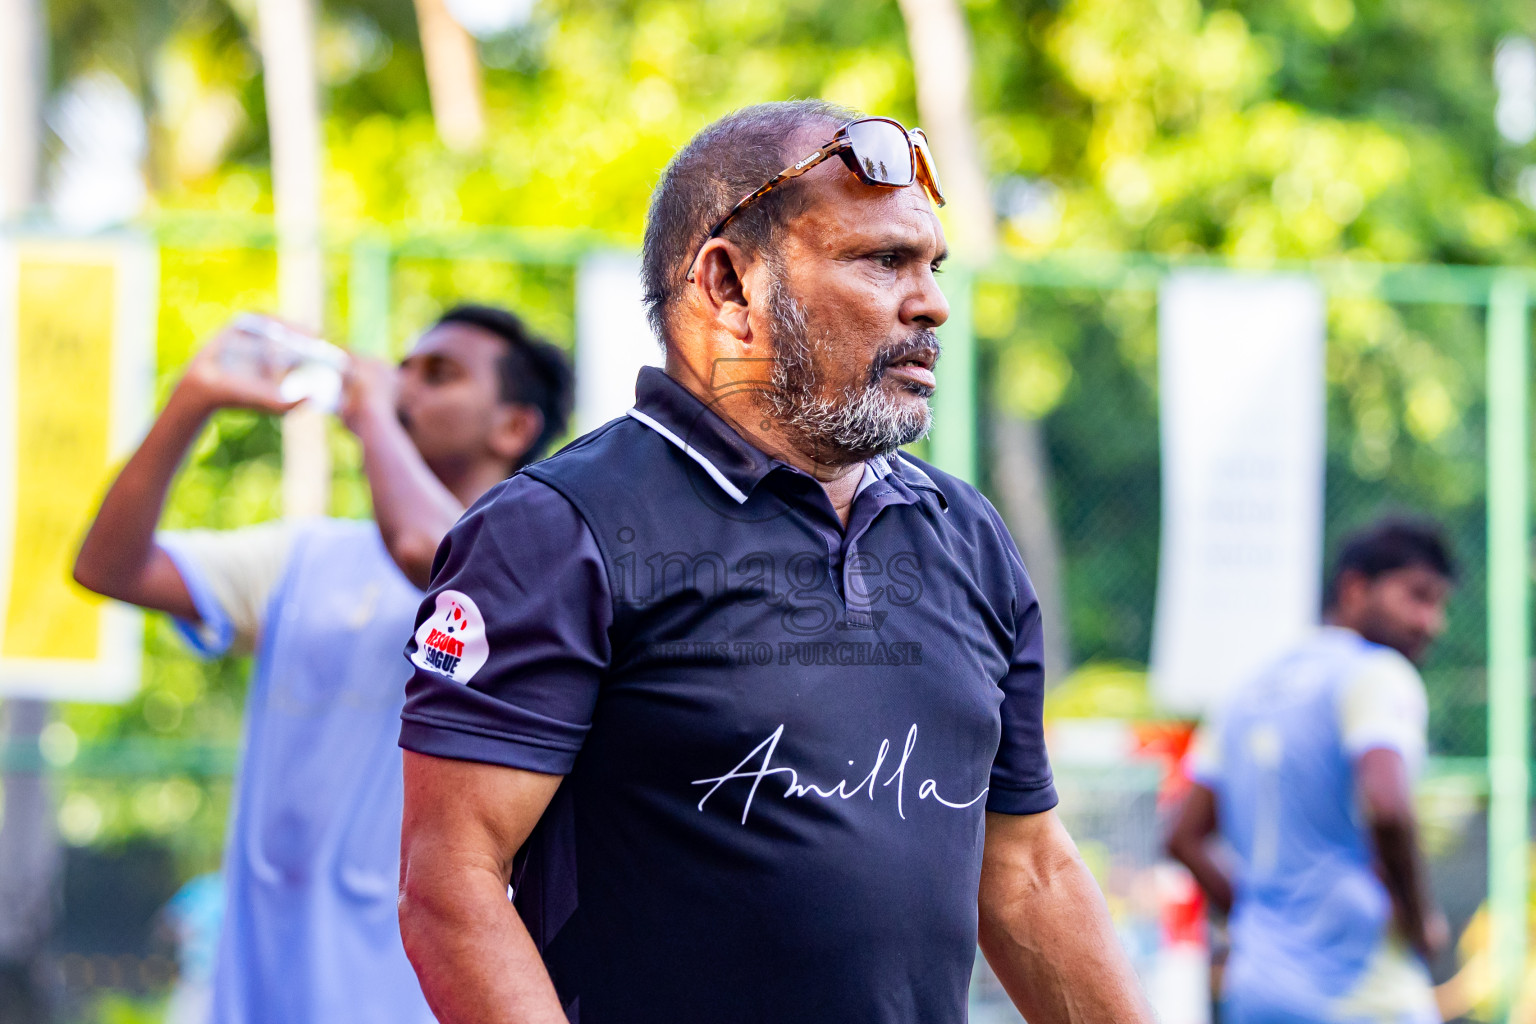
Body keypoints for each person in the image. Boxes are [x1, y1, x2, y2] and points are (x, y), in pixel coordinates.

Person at [395, 100, 1152, 1024]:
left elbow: (1027, 871)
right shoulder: (556, 530)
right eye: (883, 261)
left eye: (932, 264)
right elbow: (451, 886)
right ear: (730, 284)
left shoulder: (965, 535)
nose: (933, 302)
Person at [72, 305, 574, 1024]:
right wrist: (196, 398)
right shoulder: (305, 560)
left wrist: (372, 410)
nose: (405, 386)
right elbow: (109, 567)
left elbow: (431, 551)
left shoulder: (539, 569)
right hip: (259, 1001)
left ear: (514, 427)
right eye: (401, 369)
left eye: (440, 374)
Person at [1166, 517, 1456, 1024]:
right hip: (1365, 992)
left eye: (1437, 604)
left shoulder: (1245, 691)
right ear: (1355, 588)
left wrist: (1261, 917)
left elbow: (1182, 836)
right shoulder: (1377, 673)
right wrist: (1419, 918)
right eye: (1418, 597)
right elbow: (1387, 808)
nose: (1431, 622)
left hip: (1258, 989)